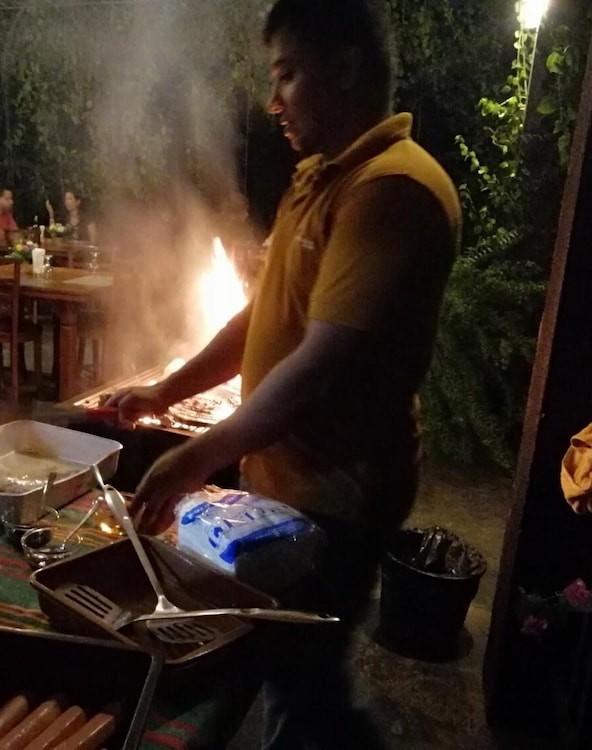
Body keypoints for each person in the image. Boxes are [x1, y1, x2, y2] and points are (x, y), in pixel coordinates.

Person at [108, 0, 461, 747]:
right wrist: (167, 391)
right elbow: (260, 319)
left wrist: (194, 458)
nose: (274, 100)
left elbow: (321, 366)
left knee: (301, 687)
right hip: (283, 485)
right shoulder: (318, 180)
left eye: (288, 75)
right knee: (289, 670)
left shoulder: (391, 189)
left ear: (346, 67)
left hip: (337, 498)